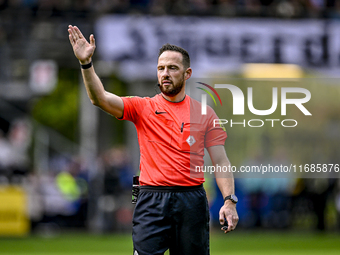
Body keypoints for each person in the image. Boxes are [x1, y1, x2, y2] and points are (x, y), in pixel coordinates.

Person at [68, 25, 239, 255]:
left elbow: (220, 162)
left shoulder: (205, 114)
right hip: (150, 198)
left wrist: (229, 201)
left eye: (172, 68)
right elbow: (99, 98)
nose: (165, 73)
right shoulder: (142, 107)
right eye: (160, 68)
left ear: (187, 73)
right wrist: (86, 64)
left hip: (191, 200)